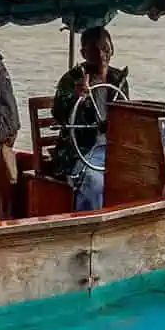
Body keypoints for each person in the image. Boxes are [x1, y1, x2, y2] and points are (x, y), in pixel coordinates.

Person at [51, 26, 128, 212]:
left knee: (142, 172)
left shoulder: (118, 79)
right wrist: (77, 97)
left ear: (112, 49)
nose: (101, 54)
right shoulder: (72, 79)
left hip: (112, 147)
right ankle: (88, 224)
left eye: (105, 48)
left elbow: (127, 114)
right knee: (94, 180)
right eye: (94, 50)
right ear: (83, 53)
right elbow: (59, 114)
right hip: (80, 150)